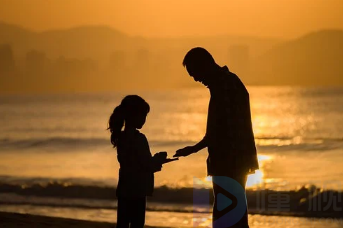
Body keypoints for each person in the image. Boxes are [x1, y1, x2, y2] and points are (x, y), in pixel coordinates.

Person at [174, 47, 259, 228]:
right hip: (234, 160)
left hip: (229, 161)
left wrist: (194, 148)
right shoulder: (229, 82)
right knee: (233, 212)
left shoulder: (224, 86)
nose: (197, 79)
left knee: (227, 214)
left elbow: (221, 131)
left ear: (205, 65)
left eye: (195, 73)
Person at [108, 95, 172, 228]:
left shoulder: (121, 137)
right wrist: (159, 160)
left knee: (123, 223)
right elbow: (146, 164)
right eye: (143, 115)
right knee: (137, 224)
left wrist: (154, 161)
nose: (144, 119)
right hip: (137, 189)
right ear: (133, 116)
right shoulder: (139, 138)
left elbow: (134, 162)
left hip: (125, 188)